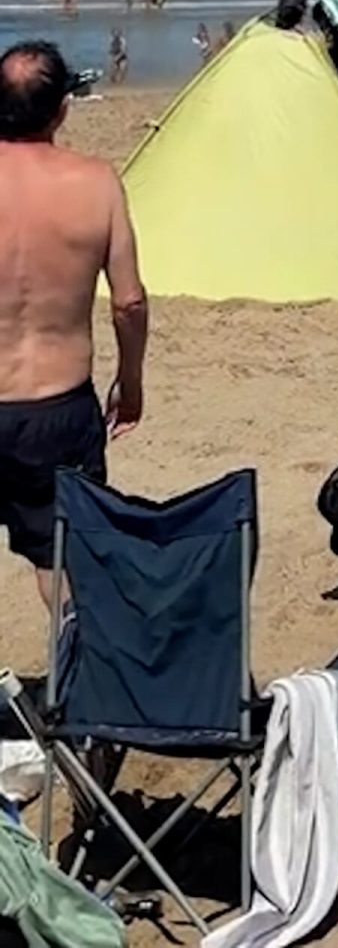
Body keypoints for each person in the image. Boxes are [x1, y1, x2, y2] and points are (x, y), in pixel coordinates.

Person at [0, 43, 148, 607]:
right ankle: (72, 677)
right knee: (58, 553)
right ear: (62, 109)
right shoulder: (96, 183)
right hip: (55, 406)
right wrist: (130, 383)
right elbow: (128, 302)